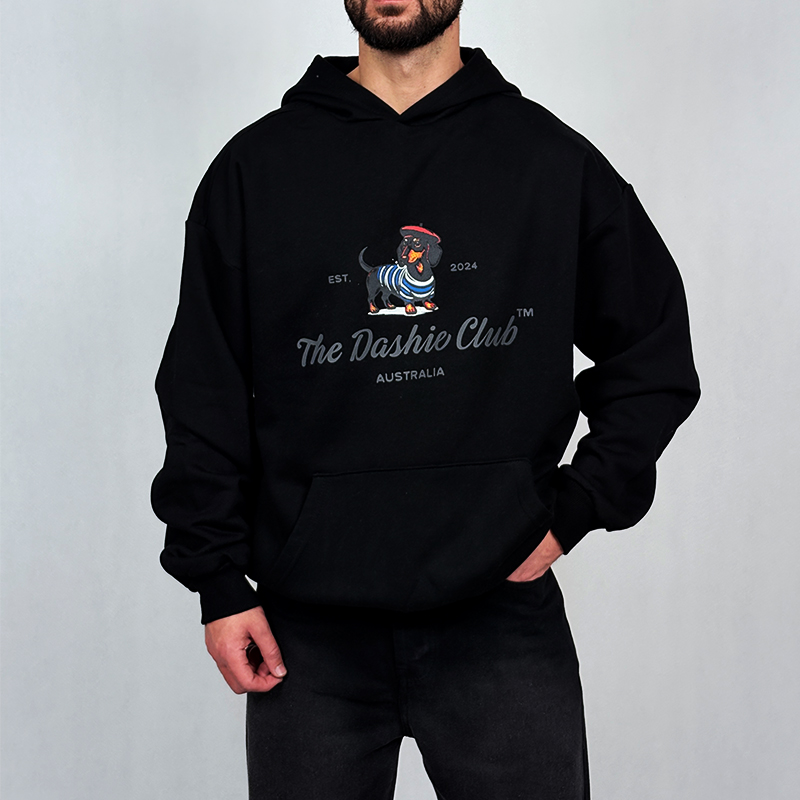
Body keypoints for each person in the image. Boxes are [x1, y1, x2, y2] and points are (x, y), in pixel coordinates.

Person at [151, 1, 701, 797]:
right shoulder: (256, 169)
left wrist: (577, 506)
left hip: (499, 619)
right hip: (309, 631)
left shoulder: (547, 161)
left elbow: (653, 351)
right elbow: (204, 386)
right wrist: (218, 581)